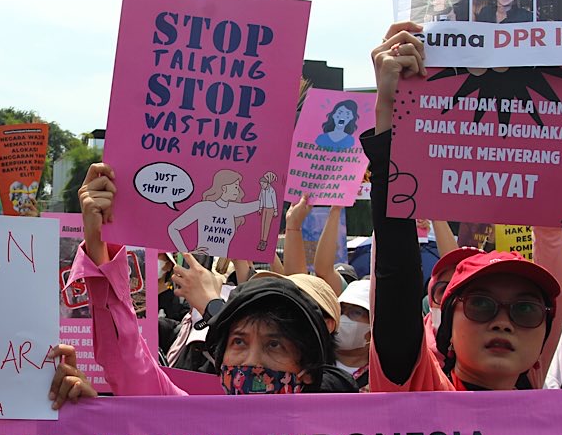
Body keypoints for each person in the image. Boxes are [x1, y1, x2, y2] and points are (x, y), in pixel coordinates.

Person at [363, 22, 562, 392]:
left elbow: (552, 235)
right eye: (481, 305)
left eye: (525, 310)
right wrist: (391, 113)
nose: (504, 323)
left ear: (544, 340)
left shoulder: (533, 390)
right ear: (446, 325)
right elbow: (396, 274)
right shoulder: (415, 391)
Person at [49, 163, 356, 408]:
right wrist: (100, 237)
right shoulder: (191, 423)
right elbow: (128, 361)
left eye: (273, 345)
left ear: (309, 368)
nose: (250, 362)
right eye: (238, 342)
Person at [168, 169, 274, 257]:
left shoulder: (233, 209)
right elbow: (173, 228)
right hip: (198, 262)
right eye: (236, 187)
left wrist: (267, 184)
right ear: (224, 187)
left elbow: (262, 203)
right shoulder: (203, 207)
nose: (238, 191)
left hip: (218, 269)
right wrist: (187, 253)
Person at [334, 279, 371, 391]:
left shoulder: (384, 374)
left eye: (356, 312)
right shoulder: (312, 365)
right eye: (341, 311)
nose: (343, 318)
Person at [256, 172, 278, 252]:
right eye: (261, 184)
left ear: (266, 183)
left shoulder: (272, 191)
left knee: (267, 225)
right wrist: (260, 208)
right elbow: (261, 199)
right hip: (264, 208)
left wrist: (275, 210)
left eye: (263, 184)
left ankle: (264, 241)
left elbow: (274, 200)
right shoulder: (262, 191)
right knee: (263, 225)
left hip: (270, 209)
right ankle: (261, 240)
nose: (261, 186)